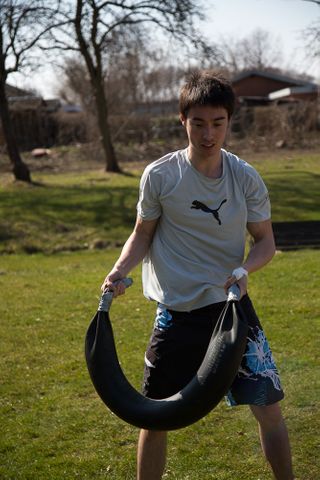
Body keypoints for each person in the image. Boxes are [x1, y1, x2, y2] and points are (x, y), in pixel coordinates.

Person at [101, 70, 294, 480]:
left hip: (231, 311)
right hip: (176, 312)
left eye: (218, 123)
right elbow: (142, 234)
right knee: (152, 417)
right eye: (199, 123)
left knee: (269, 409)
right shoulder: (160, 176)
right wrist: (118, 271)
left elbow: (265, 242)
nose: (209, 134)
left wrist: (244, 268)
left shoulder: (245, 177)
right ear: (183, 120)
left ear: (229, 121)